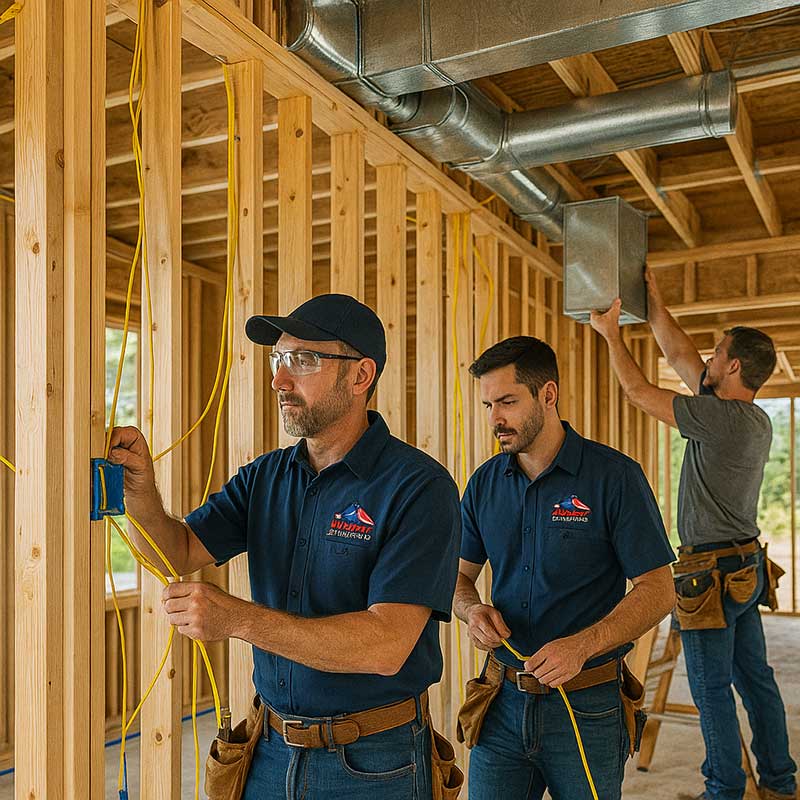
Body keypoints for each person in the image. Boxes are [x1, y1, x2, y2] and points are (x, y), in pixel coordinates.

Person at [107, 293, 462, 800]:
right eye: (279, 359)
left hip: (374, 761)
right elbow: (180, 550)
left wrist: (237, 620)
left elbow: (388, 645)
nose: (279, 380)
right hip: (269, 750)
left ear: (361, 377)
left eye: (304, 360)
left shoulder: (418, 488)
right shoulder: (266, 477)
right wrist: (140, 493)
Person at [590, 271, 797, 800]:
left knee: (710, 689)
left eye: (716, 353)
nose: (704, 360)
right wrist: (655, 306)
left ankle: (724, 790)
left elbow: (637, 391)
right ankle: (778, 782)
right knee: (756, 679)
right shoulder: (750, 417)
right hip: (744, 569)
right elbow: (685, 358)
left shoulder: (719, 419)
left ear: (730, 366)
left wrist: (612, 335)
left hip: (708, 576)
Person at [453, 335, 675, 800]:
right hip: (501, 701)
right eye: (489, 404)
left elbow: (658, 590)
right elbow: (456, 577)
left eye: (508, 401)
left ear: (548, 395)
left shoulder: (614, 478)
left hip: (588, 704)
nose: (495, 418)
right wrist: (471, 609)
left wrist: (583, 645)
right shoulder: (485, 483)